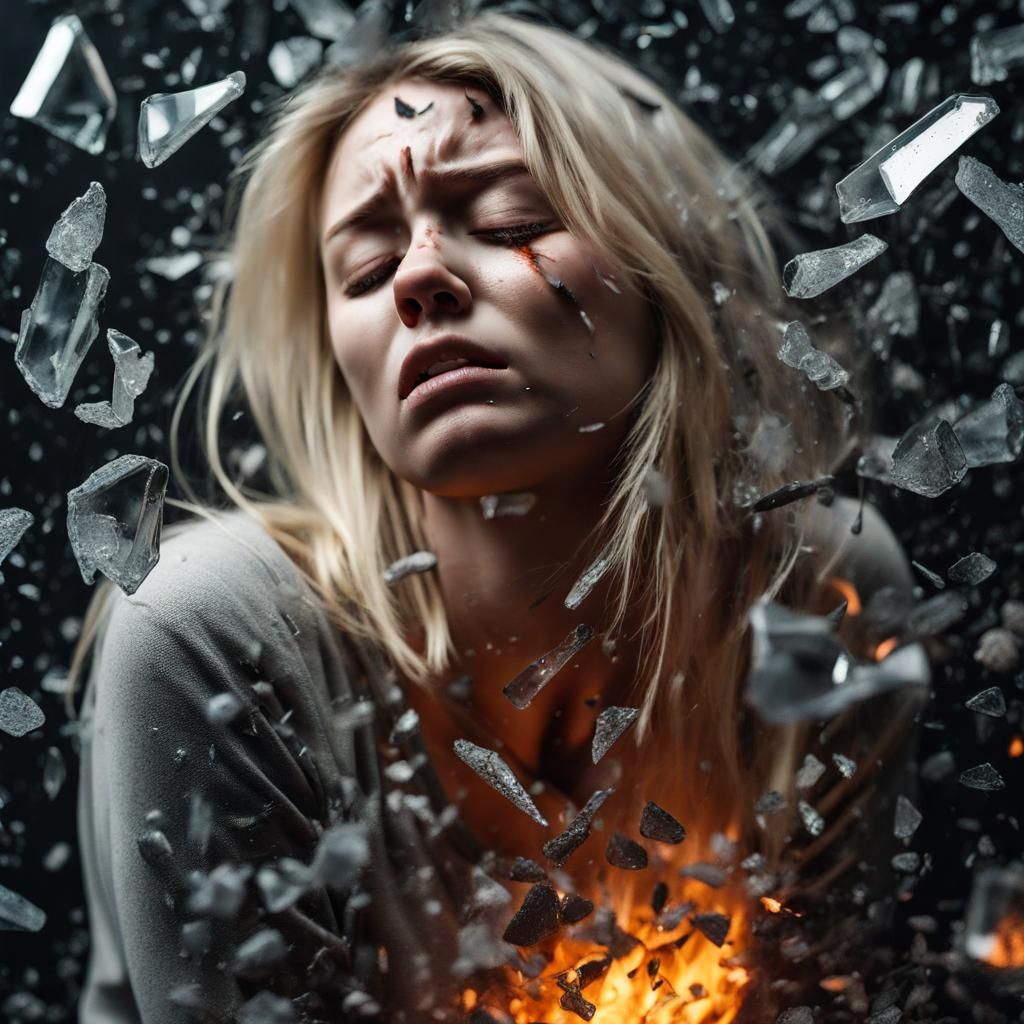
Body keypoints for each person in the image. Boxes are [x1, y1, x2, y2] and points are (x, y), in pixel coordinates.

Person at [67, 10, 927, 1023]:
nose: (421, 278)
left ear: (663, 275)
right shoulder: (212, 634)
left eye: (514, 220)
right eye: (366, 269)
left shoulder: (819, 589)